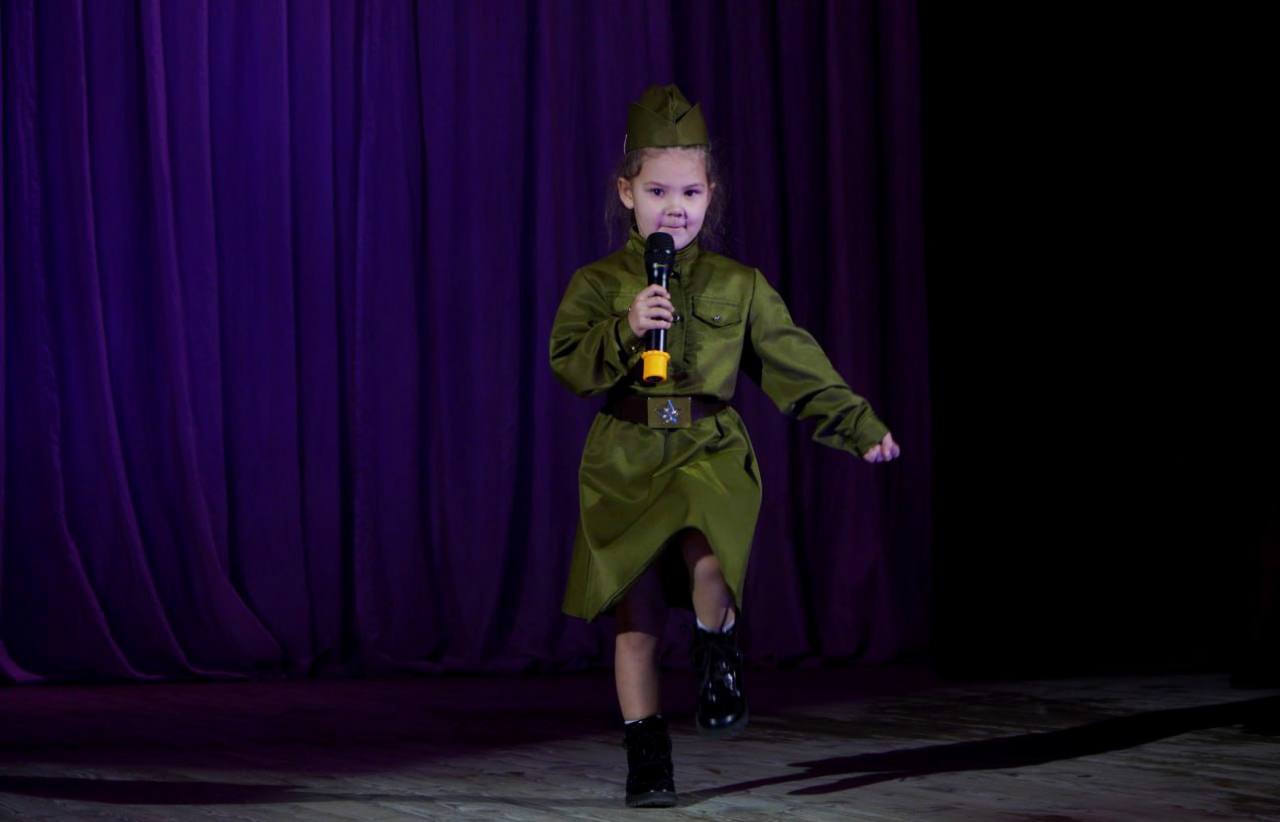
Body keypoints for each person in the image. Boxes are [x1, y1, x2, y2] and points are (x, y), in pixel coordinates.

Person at [548, 84, 900, 808]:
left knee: (709, 551)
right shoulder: (598, 283)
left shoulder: (740, 285)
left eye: (690, 191)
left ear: (711, 195)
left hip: (708, 445)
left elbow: (794, 362)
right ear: (626, 193)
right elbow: (570, 367)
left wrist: (857, 425)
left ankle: (719, 656)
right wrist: (626, 328)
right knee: (637, 618)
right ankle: (648, 758)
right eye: (657, 191)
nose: (675, 208)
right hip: (625, 456)